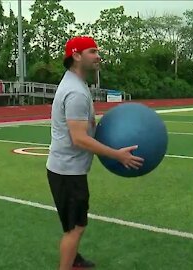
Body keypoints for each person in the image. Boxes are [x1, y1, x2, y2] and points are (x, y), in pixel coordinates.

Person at [46, 36, 144, 270]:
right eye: (92, 51)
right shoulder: (76, 92)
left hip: (66, 169)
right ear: (76, 56)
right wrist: (117, 154)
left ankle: (74, 259)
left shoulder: (76, 84)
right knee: (76, 228)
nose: (98, 55)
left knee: (73, 224)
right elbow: (79, 138)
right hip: (68, 172)